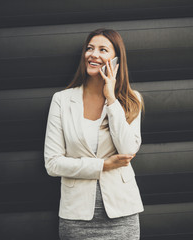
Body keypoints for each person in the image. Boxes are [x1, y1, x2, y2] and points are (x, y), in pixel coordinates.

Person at [44, 29, 144, 239]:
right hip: (77, 216)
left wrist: (111, 99)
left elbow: (127, 150)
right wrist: (102, 166)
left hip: (122, 213)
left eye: (102, 50)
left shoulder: (131, 99)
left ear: (116, 60)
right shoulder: (61, 100)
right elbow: (52, 163)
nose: (93, 54)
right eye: (89, 49)